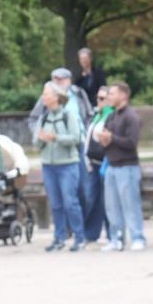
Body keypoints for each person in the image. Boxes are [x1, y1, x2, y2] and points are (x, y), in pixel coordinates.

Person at [34, 82, 87, 253]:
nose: (43, 97)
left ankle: (79, 238)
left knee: (70, 202)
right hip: (48, 166)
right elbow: (36, 142)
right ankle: (59, 238)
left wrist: (55, 138)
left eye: (46, 93)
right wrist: (41, 139)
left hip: (67, 165)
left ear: (56, 97)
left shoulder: (68, 115)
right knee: (55, 204)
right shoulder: (43, 117)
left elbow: (76, 137)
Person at [98, 81, 146, 251]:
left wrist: (111, 138)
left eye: (112, 93)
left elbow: (132, 143)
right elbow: (106, 136)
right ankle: (116, 238)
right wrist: (104, 139)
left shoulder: (131, 116)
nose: (109, 97)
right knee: (112, 206)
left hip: (127, 167)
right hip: (111, 166)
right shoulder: (111, 116)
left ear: (123, 95)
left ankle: (138, 237)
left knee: (130, 204)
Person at [82, 86, 113, 243]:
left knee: (106, 199)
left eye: (102, 98)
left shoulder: (111, 116)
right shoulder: (96, 116)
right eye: (98, 98)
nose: (98, 101)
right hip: (92, 163)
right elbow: (88, 140)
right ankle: (91, 233)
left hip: (105, 163)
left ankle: (111, 234)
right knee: (91, 198)